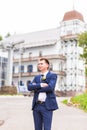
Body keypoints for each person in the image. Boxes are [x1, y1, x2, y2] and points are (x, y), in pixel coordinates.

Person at [28, 58, 58, 130]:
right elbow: (29, 87)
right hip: (36, 106)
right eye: (38, 64)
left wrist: (36, 88)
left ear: (47, 65)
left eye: (41, 63)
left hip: (47, 106)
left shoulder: (52, 76)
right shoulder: (36, 77)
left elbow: (50, 87)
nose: (39, 65)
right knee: (37, 128)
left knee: (47, 128)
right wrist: (40, 85)